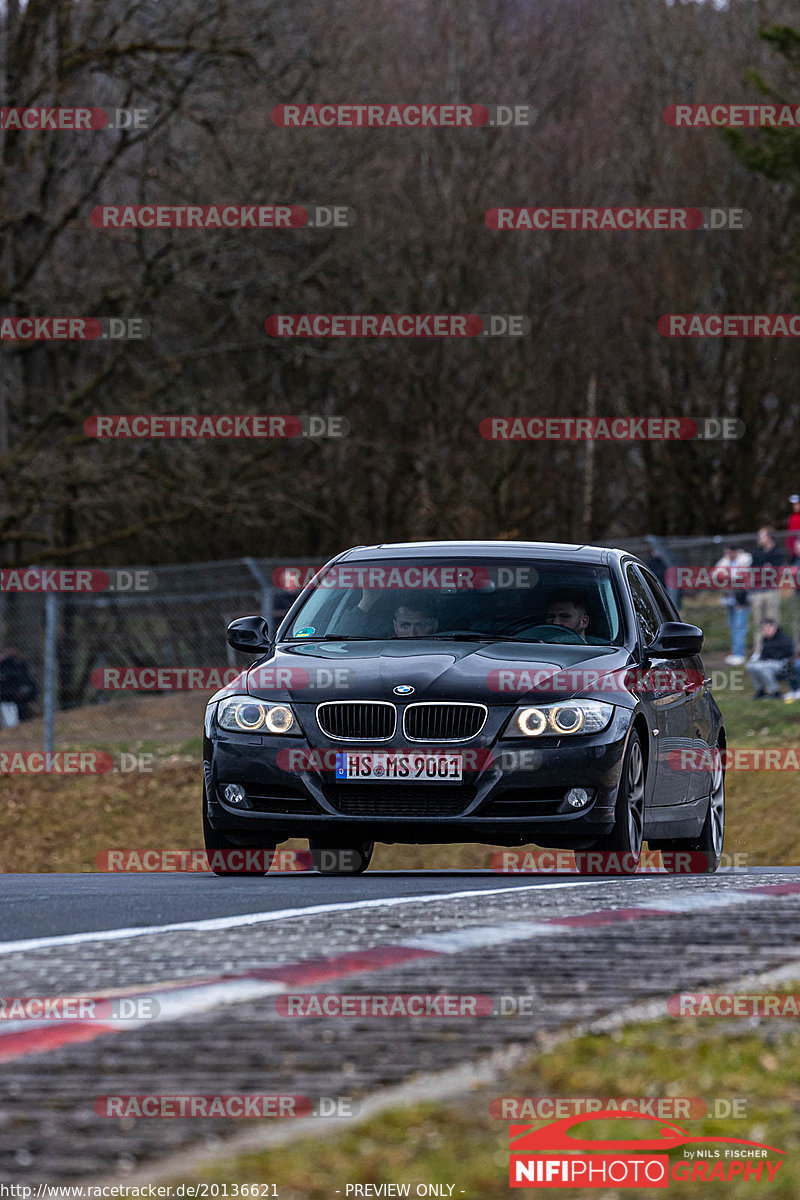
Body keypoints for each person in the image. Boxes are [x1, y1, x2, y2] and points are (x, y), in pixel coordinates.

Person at [749, 527, 785, 657]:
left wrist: (767, 570)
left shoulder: (777, 552)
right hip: (758, 591)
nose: (759, 539)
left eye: (762, 536)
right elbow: (755, 569)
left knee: (773, 621)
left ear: (769, 537)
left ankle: (774, 651)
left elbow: (775, 570)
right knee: (758, 621)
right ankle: (759, 650)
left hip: (771, 590)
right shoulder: (756, 552)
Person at [715, 544, 752, 665]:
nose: (728, 555)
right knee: (732, 625)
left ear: (735, 552)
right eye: (726, 553)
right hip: (729, 599)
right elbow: (716, 575)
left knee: (740, 626)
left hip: (742, 599)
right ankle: (735, 651)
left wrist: (728, 577)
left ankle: (740, 654)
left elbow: (741, 577)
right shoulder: (725, 561)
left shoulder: (745, 560)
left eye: (730, 552)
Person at [746, 619, 794, 699]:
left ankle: (775, 691)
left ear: (774, 628)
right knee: (750, 666)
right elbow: (764, 654)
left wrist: (772, 659)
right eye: (765, 629)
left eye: (768, 629)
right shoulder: (766, 639)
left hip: (782, 663)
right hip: (768, 663)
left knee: (763, 668)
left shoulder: (784, 638)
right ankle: (760, 690)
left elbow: (788, 653)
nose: (766, 631)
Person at [0, 647, 38, 725]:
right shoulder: (4, 668)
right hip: (6, 701)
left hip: (16, 702)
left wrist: (22, 693)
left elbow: (32, 687)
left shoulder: (21, 667)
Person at [786, 495, 800, 563]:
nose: (795, 506)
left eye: (797, 504)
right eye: (794, 504)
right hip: (793, 552)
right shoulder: (792, 517)